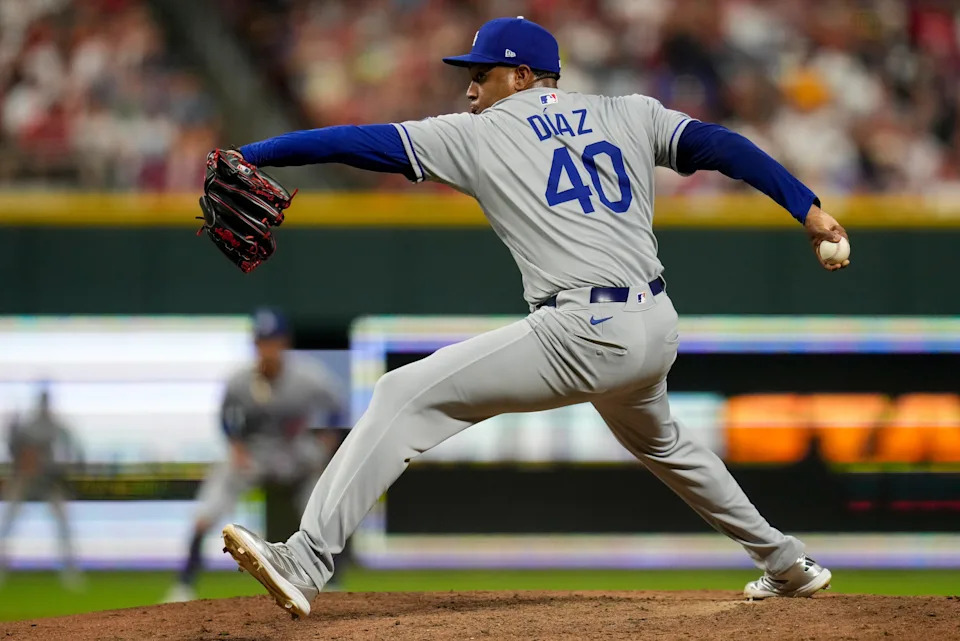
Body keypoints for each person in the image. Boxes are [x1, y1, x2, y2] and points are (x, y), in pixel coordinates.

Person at [219, 17, 849, 617]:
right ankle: (785, 560)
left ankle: (305, 558)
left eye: (482, 74)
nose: (470, 88)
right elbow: (722, 146)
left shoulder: (478, 133)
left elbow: (357, 141)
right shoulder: (629, 111)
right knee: (667, 446)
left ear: (521, 77)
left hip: (582, 331)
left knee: (401, 394)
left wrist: (256, 152)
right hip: (655, 323)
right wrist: (808, 208)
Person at [165, 308, 345, 602]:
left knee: (324, 513)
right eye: (262, 342)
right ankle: (184, 584)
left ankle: (333, 583)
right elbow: (225, 418)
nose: (267, 349)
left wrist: (325, 444)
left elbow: (337, 408)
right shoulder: (240, 381)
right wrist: (235, 446)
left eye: (273, 341)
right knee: (206, 512)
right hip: (254, 454)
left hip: (296, 454)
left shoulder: (308, 377)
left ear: (284, 343)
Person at [0, 387, 83, 589]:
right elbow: (13, 448)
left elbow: (72, 446)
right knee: (7, 526)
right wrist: (12, 428)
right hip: (24, 479)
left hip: (48, 481)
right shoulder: (26, 426)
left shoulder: (56, 425)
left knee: (64, 526)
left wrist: (66, 470)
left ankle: (70, 573)